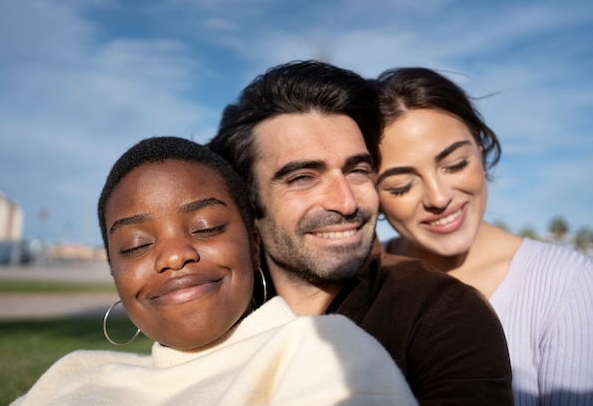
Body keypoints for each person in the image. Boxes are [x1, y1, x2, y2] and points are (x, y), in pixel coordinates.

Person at [11, 136, 419, 406]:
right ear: (114, 271)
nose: (174, 257)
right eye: (135, 245)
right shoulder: (73, 376)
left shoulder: (322, 350)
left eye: (207, 227)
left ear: (253, 244)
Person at [208, 60, 514, 406]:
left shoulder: (444, 315)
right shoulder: (214, 312)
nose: (346, 202)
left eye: (357, 170)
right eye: (303, 177)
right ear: (249, 200)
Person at [373, 67, 593, 406]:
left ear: (480, 146)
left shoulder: (569, 284)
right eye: (401, 186)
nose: (438, 197)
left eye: (456, 164)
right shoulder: (360, 284)